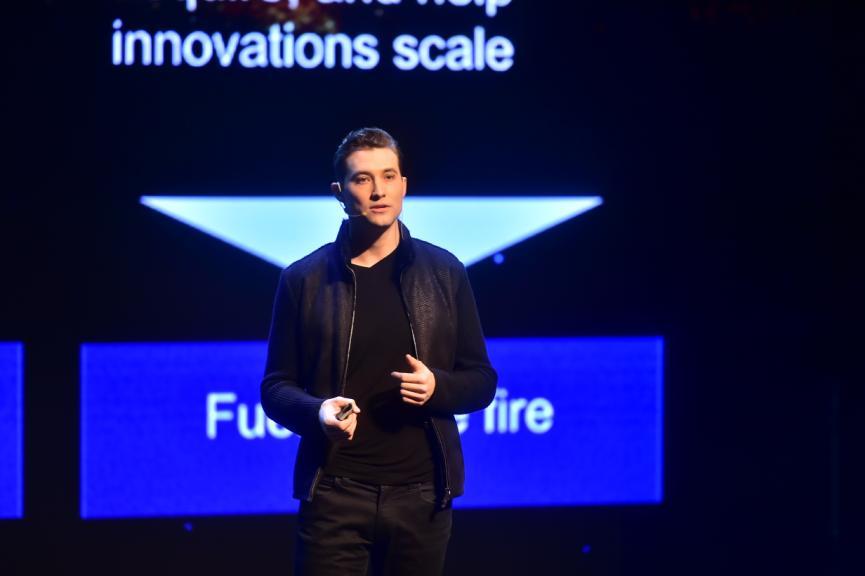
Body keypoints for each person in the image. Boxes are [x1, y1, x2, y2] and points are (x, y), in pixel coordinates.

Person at [260, 127, 497, 576]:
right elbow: (275, 388)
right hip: (334, 494)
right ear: (339, 192)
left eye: (388, 176)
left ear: (404, 185)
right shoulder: (303, 280)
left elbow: (482, 381)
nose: (378, 191)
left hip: (422, 496)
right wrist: (317, 412)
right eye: (362, 179)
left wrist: (437, 387)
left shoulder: (445, 272)